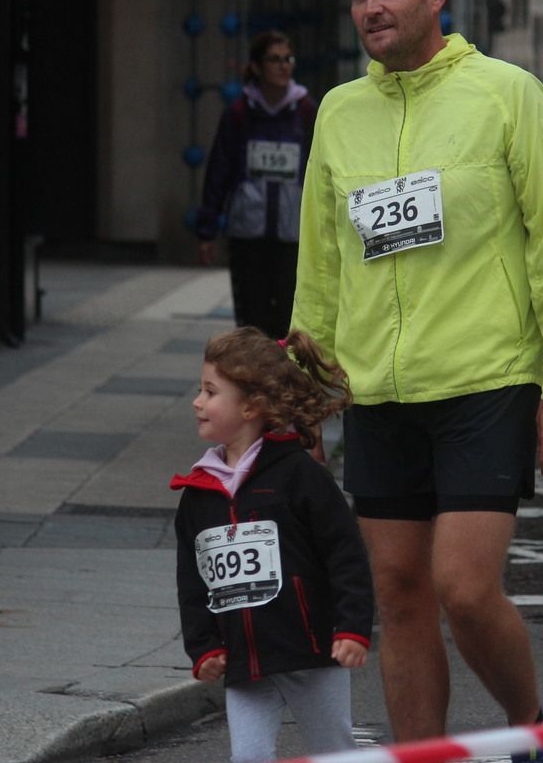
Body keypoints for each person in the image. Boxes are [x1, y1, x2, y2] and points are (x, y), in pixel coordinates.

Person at [292, 0, 543, 763]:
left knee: (463, 587)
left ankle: (533, 727)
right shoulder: (338, 113)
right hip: (379, 391)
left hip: (484, 378)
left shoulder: (506, 94)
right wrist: (301, 392)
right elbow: (320, 263)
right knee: (398, 592)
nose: (370, 8)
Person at [171, 327, 372, 763]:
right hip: (244, 662)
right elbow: (192, 581)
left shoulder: (300, 477)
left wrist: (352, 627)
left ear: (252, 407)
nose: (197, 402)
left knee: (335, 752)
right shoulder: (197, 494)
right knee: (247, 757)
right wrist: (204, 646)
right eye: (200, 390)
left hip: (310, 651)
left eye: (210, 392)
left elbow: (346, 554)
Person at [196, 31, 319, 339]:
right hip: (247, 233)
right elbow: (219, 169)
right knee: (251, 320)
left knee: (289, 319)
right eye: (274, 59)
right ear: (256, 66)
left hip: (292, 234)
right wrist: (207, 229)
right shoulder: (239, 112)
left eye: (288, 59)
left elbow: (321, 171)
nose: (283, 66)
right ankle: (253, 385)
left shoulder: (305, 110)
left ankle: (283, 384)